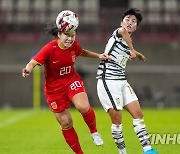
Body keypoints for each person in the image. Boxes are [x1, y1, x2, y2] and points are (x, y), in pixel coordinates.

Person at [22, 10, 111, 154]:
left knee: (83, 107)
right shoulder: (50, 49)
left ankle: (94, 132)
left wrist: (99, 55)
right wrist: (28, 69)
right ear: (59, 34)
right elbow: (34, 61)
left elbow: (81, 51)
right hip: (53, 90)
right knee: (66, 123)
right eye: (67, 35)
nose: (70, 38)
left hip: (71, 80)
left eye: (73, 35)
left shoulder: (74, 45)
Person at [96, 8, 158, 154]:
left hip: (122, 81)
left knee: (138, 114)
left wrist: (138, 54)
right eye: (127, 19)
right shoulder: (119, 33)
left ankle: (148, 150)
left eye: (133, 21)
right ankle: (123, 153)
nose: (130, 22)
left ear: (136, 26)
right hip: (108, 81)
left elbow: (129, 46)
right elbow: (123, 33)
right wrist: (132, 50)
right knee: (117, 121)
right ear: (121, 22)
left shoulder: (128, 41)